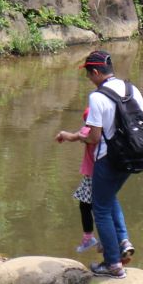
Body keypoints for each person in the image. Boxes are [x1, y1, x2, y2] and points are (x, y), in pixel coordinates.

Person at [56, 50, 142, 278]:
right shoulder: (132, 89)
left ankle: (113, 264)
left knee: (100, 208)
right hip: (135, 156)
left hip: (109, 159)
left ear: (95, 72)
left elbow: (94, 137)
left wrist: (78, 137)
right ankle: (122, 241)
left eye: (88, 74)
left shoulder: (97, 97)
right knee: (109, 196)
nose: (88, 78)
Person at [56, 108, 98, 253]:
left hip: (92, 176)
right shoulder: (109, 131)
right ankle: (110, 240)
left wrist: (62, 134)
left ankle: (89, 238)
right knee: (101, 206)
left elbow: (73, 137)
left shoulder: (88, 132)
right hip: (107, 175)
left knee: (86, 206)